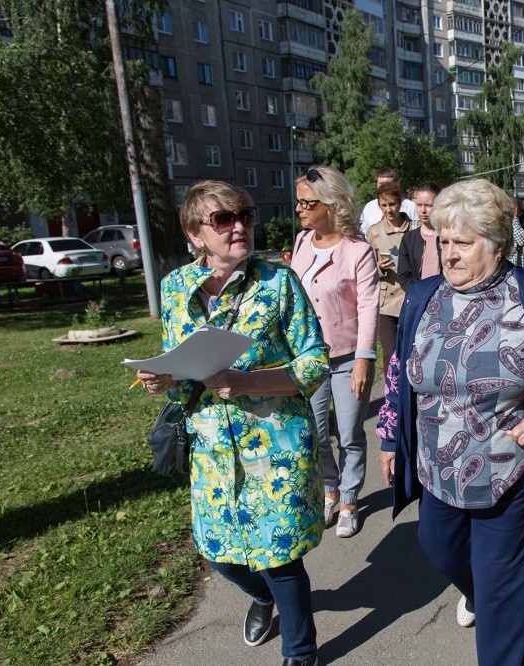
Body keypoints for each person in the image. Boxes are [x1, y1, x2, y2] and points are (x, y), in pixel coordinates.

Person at [376, 178, 524, 666]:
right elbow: (399, 372)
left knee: (502, 587)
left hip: (509, 473)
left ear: (497, 245)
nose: (450, 254)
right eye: (444, 242)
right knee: (439, 548)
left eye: (464, 242)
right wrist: (391, 437)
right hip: (437, 468)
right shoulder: (422, 299)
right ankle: (482, 590)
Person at [136, 180, 329, 666]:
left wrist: (249, 383)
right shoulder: (176, 287)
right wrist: (162, 379)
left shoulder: (277, 281)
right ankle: (262, 598)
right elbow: (181, 365)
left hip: (275, 442)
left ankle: (300, 651)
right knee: (220, 554)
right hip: (211, 446)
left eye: (245, 214)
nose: (239, 226)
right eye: (224, 219)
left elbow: (315, 361)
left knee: (280, 556)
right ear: (196, 233)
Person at [290, 166, 379, 539]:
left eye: (307, 203)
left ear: (330, 204)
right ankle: (330, 488)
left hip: (346, 359)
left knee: (349, 433)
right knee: (314, 431)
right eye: (298, 202)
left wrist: (363, 360)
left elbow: (368, 308)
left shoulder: (357, 250)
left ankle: (349, 500)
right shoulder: (300, 242)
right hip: (307, 358)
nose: (299, 209)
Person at [366, 180, 414, 371]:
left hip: (410, 297)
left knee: (411, 350)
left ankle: (410, 393)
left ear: (400, 203)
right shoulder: (374, 232)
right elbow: (366, 270)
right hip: (386, 301)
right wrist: (379, 267)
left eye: (392, 204)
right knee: (390, 352)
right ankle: (391, 395)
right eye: (383, 205)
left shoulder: (414, 229)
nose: (388, 209)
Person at [396, 182, 443, 292]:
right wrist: (418, 294)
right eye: (419, 205)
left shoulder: (449, 237)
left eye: (428, 205)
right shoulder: (409, 239)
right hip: (419, 300)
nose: (423, 210)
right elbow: (404, 276)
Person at [358, 167, 418, 235]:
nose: (384, 187)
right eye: (381, 184)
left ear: (397, 184)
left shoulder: (410, 206)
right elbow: (363, 232)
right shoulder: (369, 207)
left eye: (388, 183)